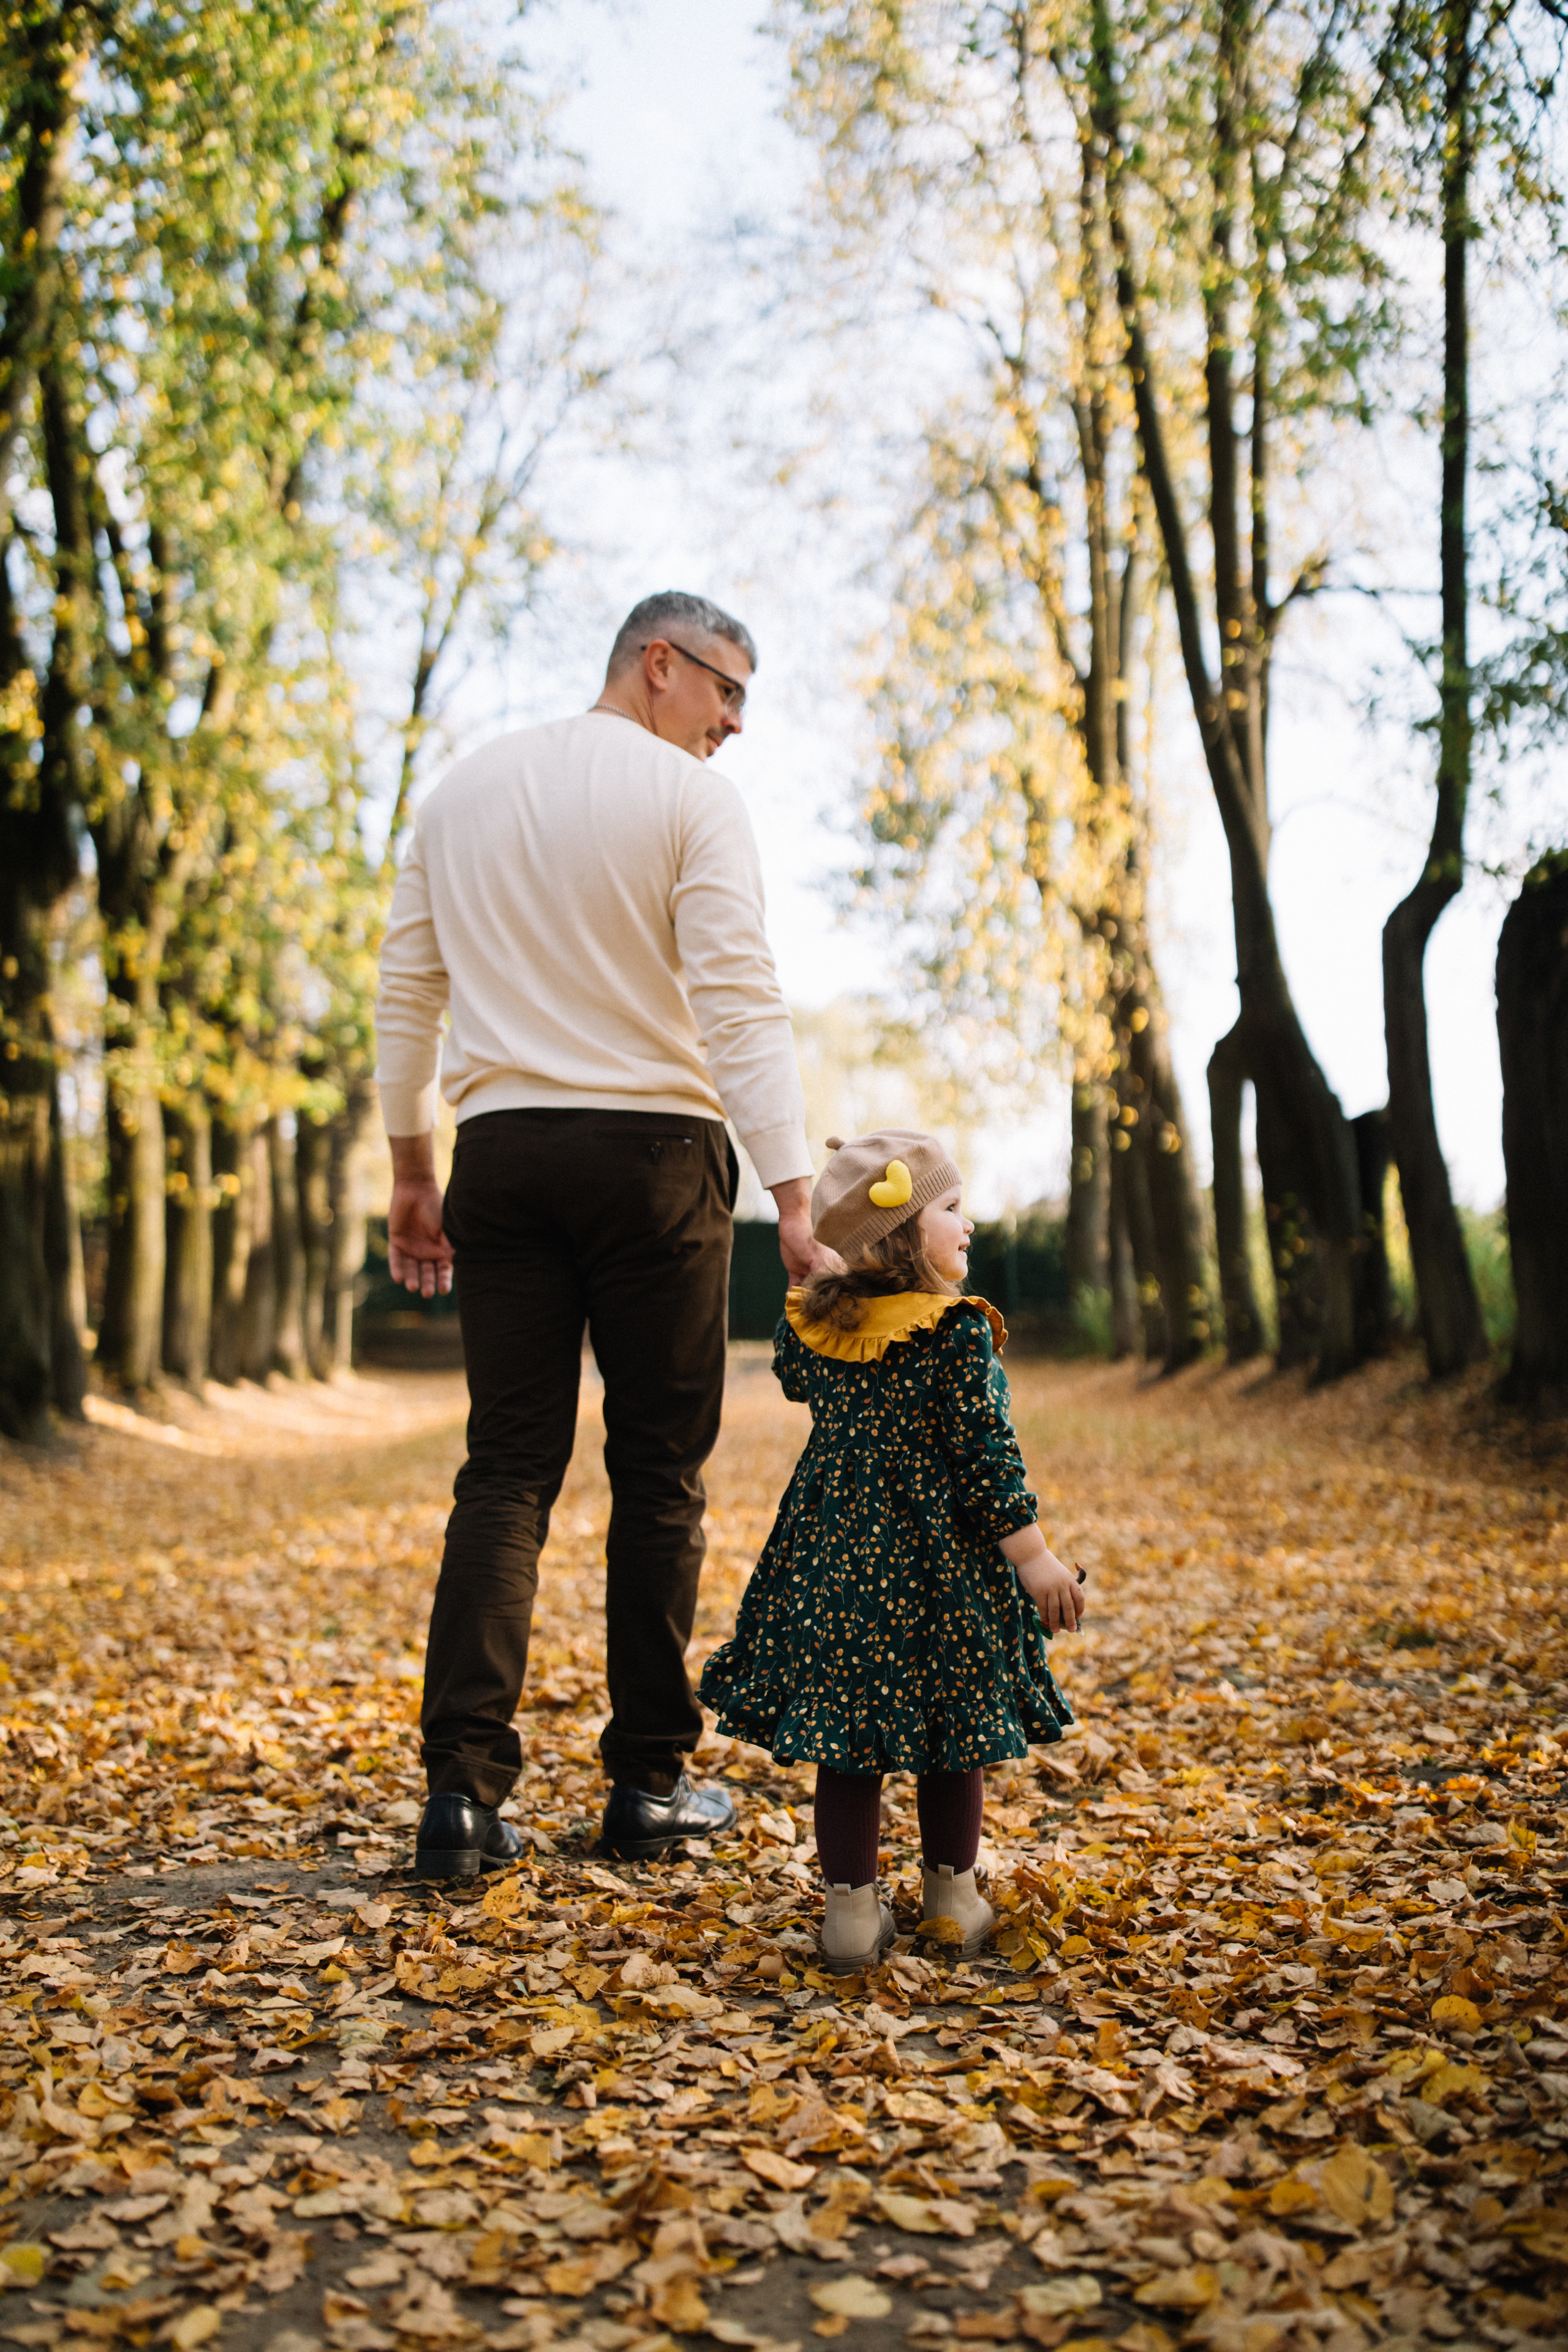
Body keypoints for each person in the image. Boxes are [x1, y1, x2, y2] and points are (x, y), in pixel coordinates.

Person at [374, 590, 830, 1879]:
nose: (735, 724)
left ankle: (460, 1797)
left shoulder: (460, 793)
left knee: (506, 1469)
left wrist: (413, 1174)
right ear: (658, 664)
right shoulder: (689, 803)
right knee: (657, 1474)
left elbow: (407, 994)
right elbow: (740, 1001)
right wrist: (791, 1199)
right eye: (727, 690)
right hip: (654, 1158)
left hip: (502, 1154)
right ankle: (646, 1785)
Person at [699, 1129, 1085, 1973]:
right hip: (943, 1569)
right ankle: (951, 1897)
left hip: (838, 1563)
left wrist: (829, 1280)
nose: (970, 1223)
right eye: (950, 1208)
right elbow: (987, 1458)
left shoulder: (820, 1331)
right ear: (900, 1235)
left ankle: (849, 1918)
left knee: (847, 1738)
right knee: (955, 1727)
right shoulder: (955, 1332)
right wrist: (1034, 1558)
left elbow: (793, 1372)